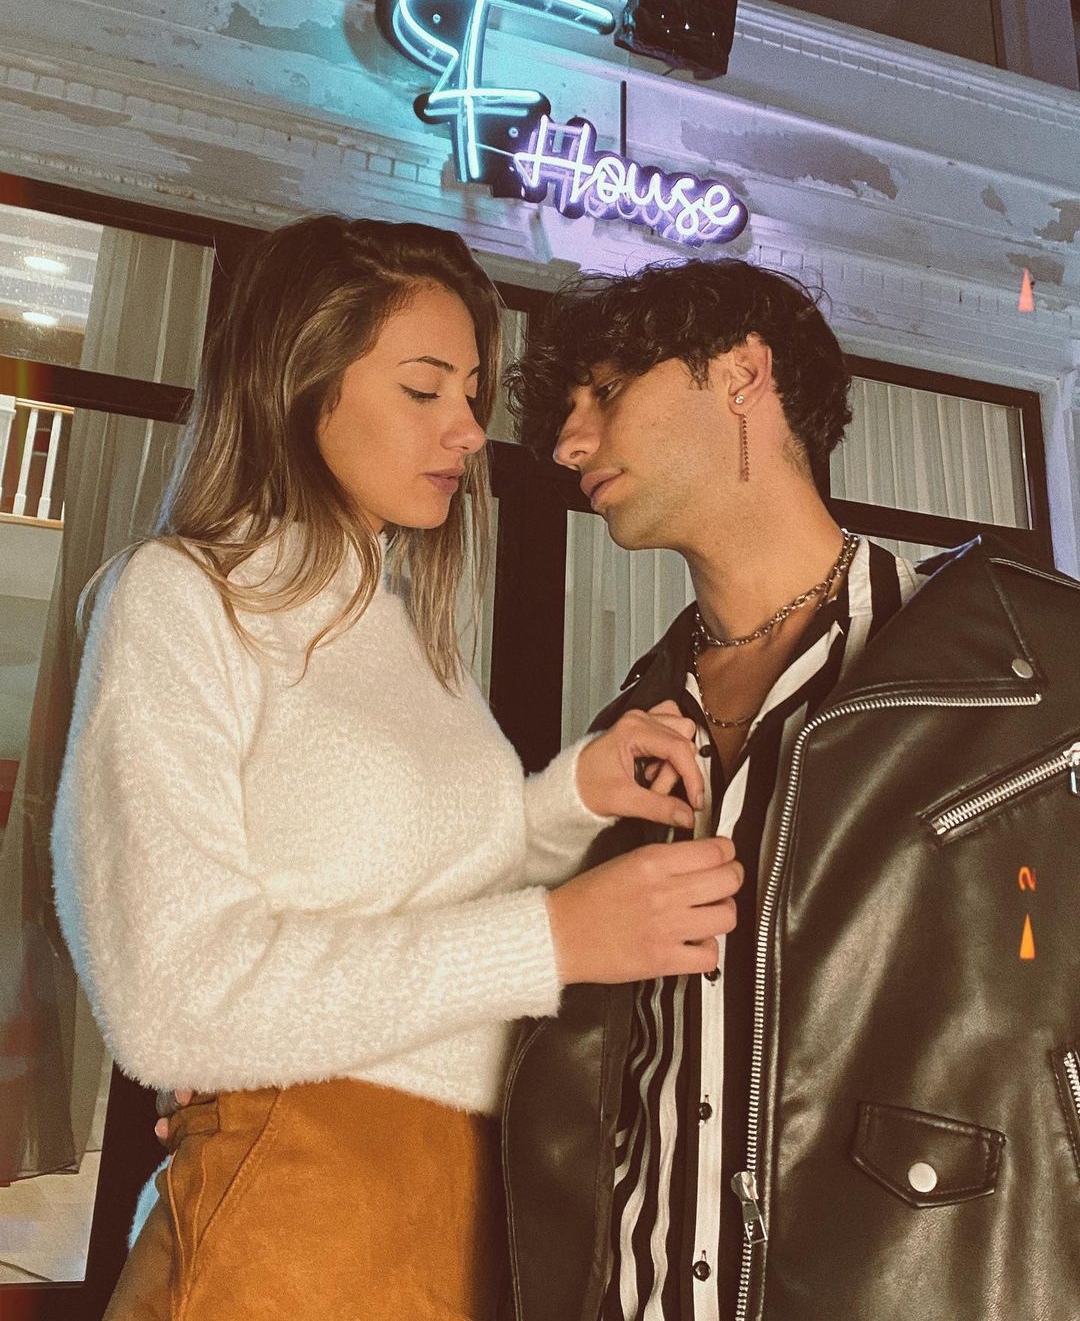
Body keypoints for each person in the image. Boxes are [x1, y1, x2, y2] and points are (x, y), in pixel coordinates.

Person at [50, 216, 745, 1321]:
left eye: (470, 392)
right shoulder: (183, 598)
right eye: (424, 389)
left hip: (481, 1211)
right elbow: (170, 1001)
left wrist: (567, 800)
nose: (468, 430)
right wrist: (557, 938)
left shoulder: (409, 629)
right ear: (299, 382)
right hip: (302, 1209)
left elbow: (426, 882)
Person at [499, 258, 1080, 1321]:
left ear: (742, 375)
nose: (568, 443)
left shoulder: (1035, 674)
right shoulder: (623, 742)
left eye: (606, 392)